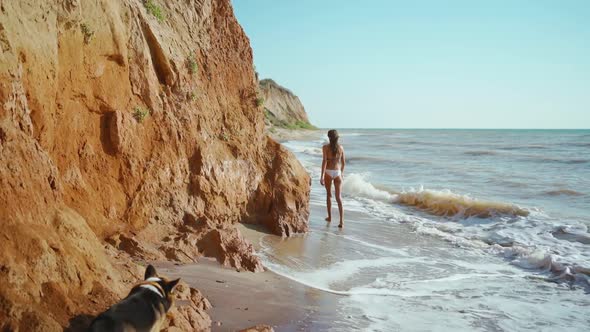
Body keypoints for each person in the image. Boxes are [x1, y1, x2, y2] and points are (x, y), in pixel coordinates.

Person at [320, 129, 346, 228]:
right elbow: (343, 163)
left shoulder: (325, 147)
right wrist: (341, 173)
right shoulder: (341, 148)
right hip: (337, 172)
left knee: (329, 195)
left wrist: (321, 176)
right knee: (339, 197)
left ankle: (330, 217)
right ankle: (341, 222)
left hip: (328, 172)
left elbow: (324, 162)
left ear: (329, 137)